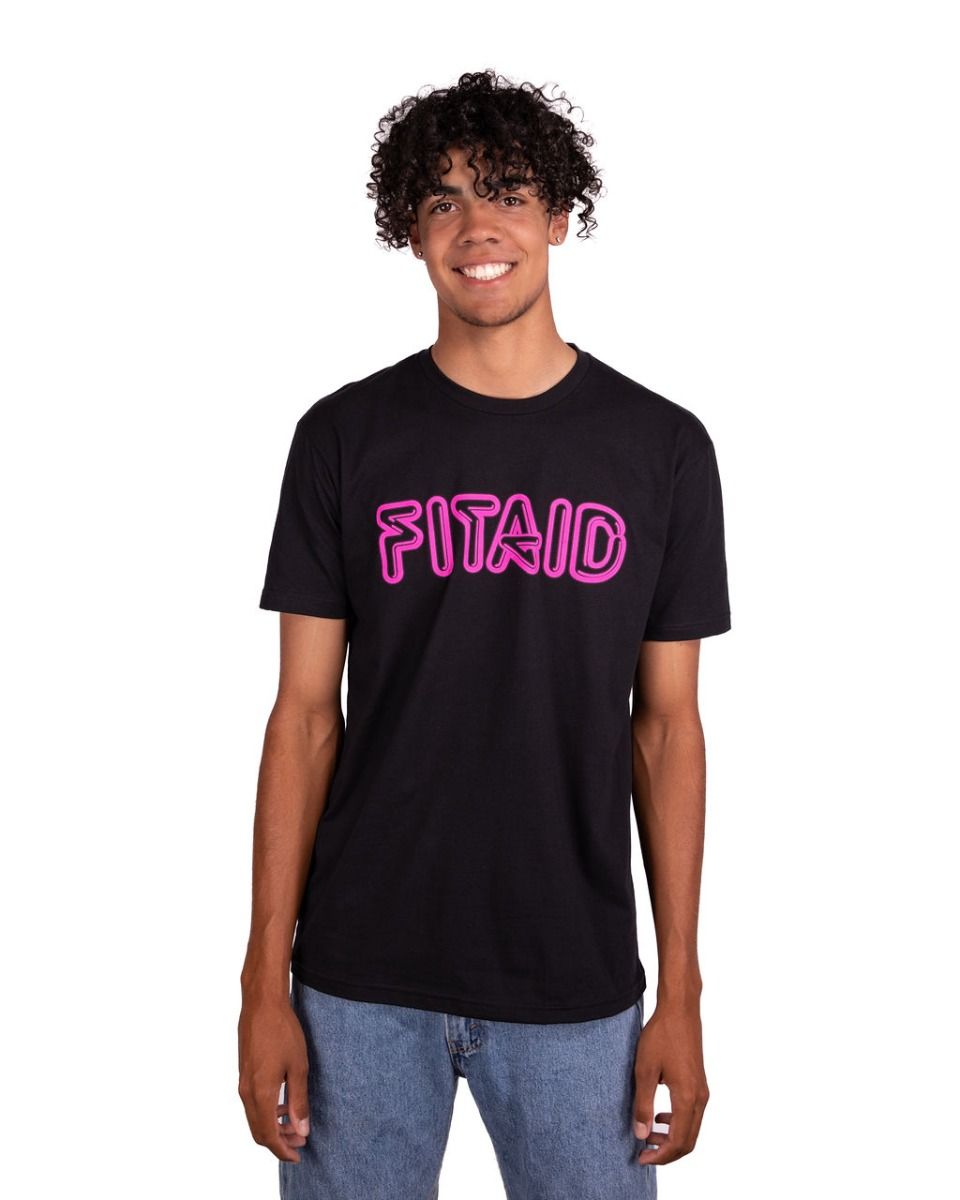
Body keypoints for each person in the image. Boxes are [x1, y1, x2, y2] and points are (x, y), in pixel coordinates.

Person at [238, 69, 731, 1200]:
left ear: (559, 214)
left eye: (507, 192)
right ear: (411, 232)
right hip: (357, 982)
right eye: (443, 200)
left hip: (575, 985)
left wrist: (684, 994)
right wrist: (264, 983)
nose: (477, 227)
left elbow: (667, 730)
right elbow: (304, 719)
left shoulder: (661, 450)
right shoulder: (343, 438)